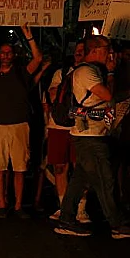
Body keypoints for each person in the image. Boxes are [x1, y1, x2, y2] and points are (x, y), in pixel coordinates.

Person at [54, 35, 130, 239]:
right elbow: (108, 96)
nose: (110, 53)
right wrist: (112, 71)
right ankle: (117, 224)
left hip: (89, 133)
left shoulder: (91, 70)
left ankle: (66, 219)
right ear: (96, 50)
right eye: (107, 49)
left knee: (79, 180)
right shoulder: (87, 71)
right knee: (105, 180)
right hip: (89, 136)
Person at [0, 24, 43, 219]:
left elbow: (38, 59)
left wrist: (29, 37)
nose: (5, 55)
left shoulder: (21, 73)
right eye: (2, 53)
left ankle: (19, 205)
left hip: (20, 124)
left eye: (8, 53)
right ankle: (2, 204)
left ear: (13, 55)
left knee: (19, 167)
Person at [46, 40, 89, 222]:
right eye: (76, 50)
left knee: (80, 167)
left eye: (82, 50)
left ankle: (80, 208)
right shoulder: (61, 73)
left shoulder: (92, 74)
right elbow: (53, 95)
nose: (78, 53)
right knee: (59, 166)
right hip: (59, 126)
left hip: (81, 127)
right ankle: (64, 205)